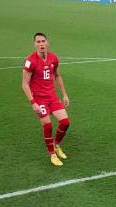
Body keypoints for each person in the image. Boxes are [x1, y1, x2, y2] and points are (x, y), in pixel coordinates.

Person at [22, 33, 72, 167]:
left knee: (65, 122)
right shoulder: (30, 61)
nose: (41, 44)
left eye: (43, 41)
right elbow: (25, 84)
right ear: (35, 44)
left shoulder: (54, 58)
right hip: (39, 99)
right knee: (48, 125)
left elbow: (57, 75)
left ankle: (56, 145)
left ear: (47, 42)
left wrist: (64, 94)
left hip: (52, 97)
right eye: (38, 42)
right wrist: (33, 102)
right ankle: (52, 154)